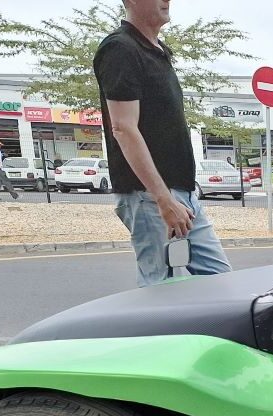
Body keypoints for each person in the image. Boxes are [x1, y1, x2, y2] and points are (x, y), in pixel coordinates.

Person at [92, 0, 231, 287]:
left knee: (221, 285)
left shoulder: (156, 50)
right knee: (157, 290)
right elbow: (123, 128)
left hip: (182, 194)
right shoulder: (120, 49)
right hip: (150, 197)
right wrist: (163, 199)